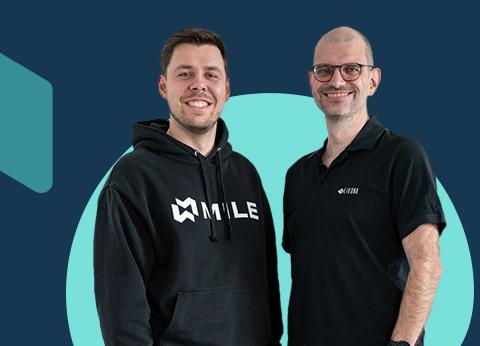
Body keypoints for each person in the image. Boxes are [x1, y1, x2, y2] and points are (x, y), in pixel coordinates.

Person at [94, 28, 282, 346]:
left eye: (211, 74)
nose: (199, 84)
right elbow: (121, 309)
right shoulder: (132, 178)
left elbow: (267, 281)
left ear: (227, 89)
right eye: (185, 73)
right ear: (163, 86)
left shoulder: (245, 174)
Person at [282, 26, 446, 346]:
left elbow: (427, 264)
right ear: (312, 82)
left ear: (373, 80)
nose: (337, 80)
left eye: (351, 69)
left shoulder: (402, 157)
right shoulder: (297, 175)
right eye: (324, 70)